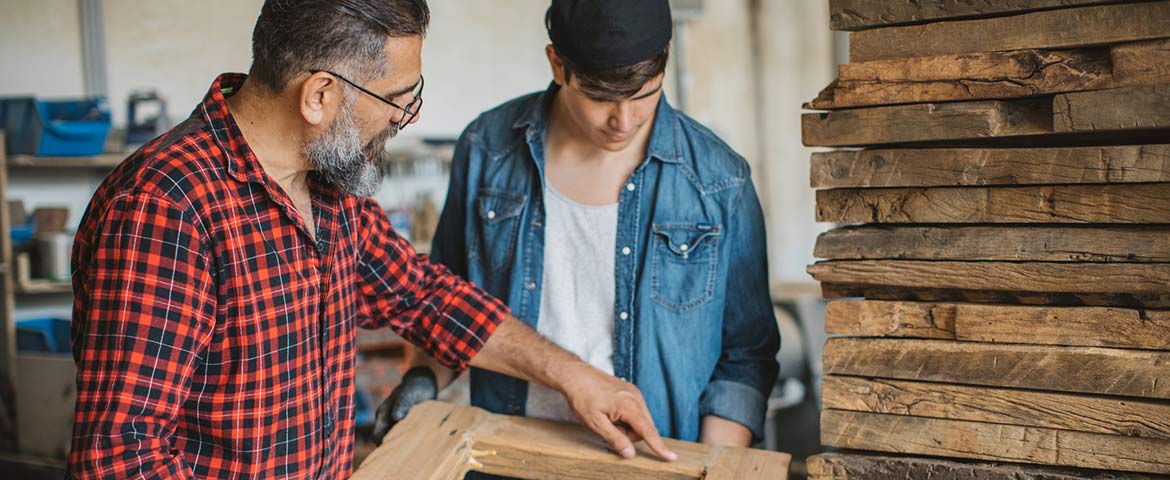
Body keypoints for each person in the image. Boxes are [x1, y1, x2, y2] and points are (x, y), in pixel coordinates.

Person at [67, 1, 675, 478]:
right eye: (397, 101)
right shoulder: (165, 210)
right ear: (320, 95)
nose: (400, 118)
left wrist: (577, 377)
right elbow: (122, 458)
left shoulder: (329, 188)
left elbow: (423, 297)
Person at [376, 0, 780, 455]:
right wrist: (425, 377)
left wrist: (712, 465)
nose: (622, 121)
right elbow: (446, 304)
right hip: (509, 453)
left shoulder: (718, 180)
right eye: (600, 97)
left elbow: (746, 355)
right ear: (557, 64)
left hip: (655, 461)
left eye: (644, 93)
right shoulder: (487, 149)